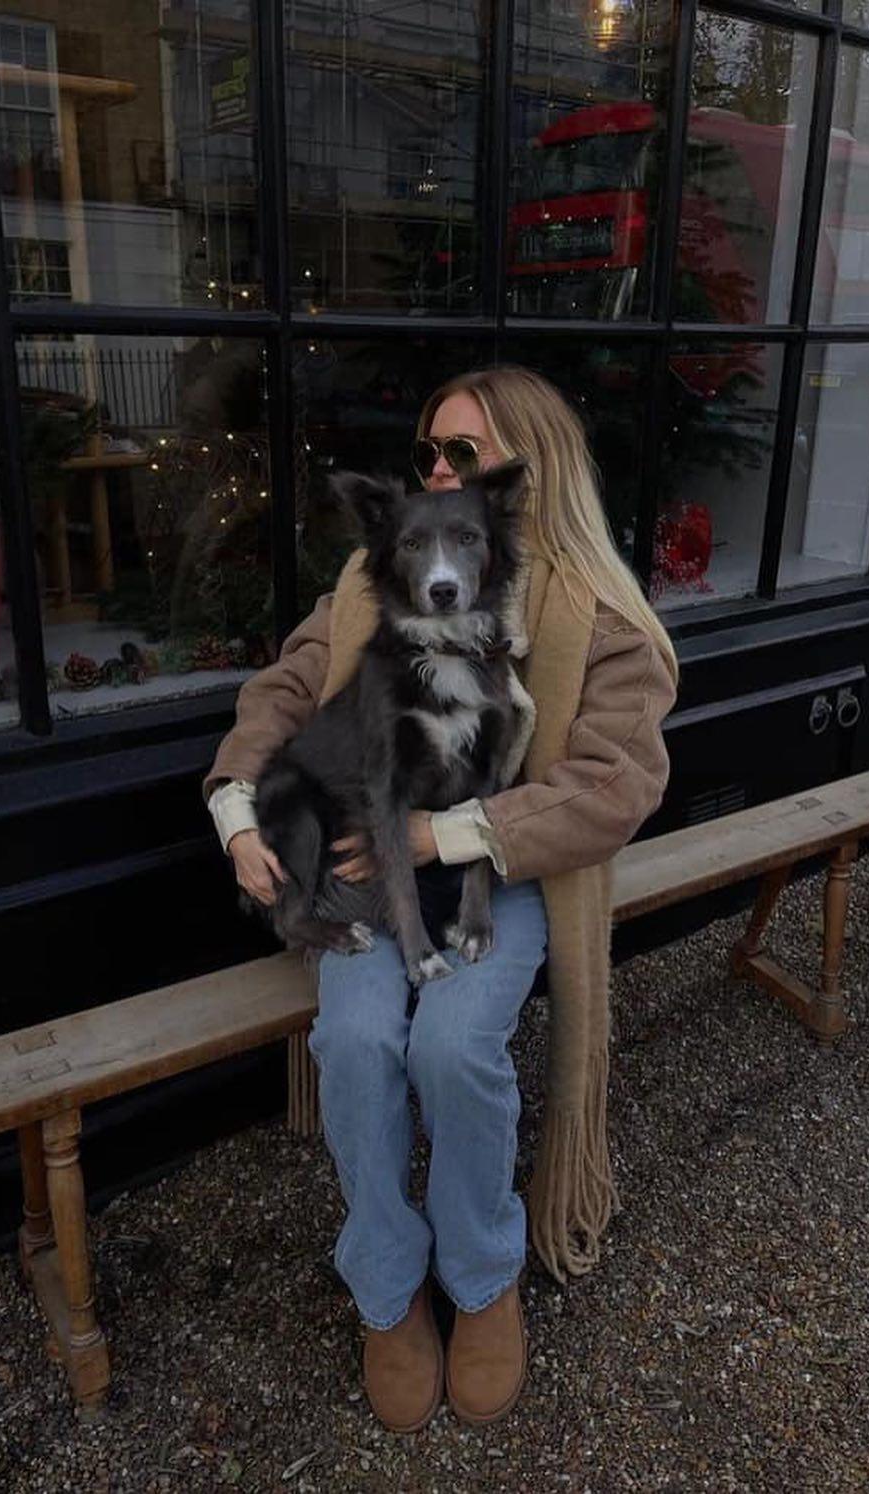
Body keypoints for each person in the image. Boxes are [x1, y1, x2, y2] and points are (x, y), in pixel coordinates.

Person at [202, 366, 677, 1432]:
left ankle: (480, 1272)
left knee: (453, 1048)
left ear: (529, 468)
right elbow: (287, 686)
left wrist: (441, 834)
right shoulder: (379, 576)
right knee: (357, 1041)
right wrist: (237, 804)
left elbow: (614, 784)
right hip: (362, 863)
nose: (440, 472)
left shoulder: (599, 613)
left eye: (466, 454)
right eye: (430, 453)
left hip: (503, 871)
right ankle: (387, 1284)